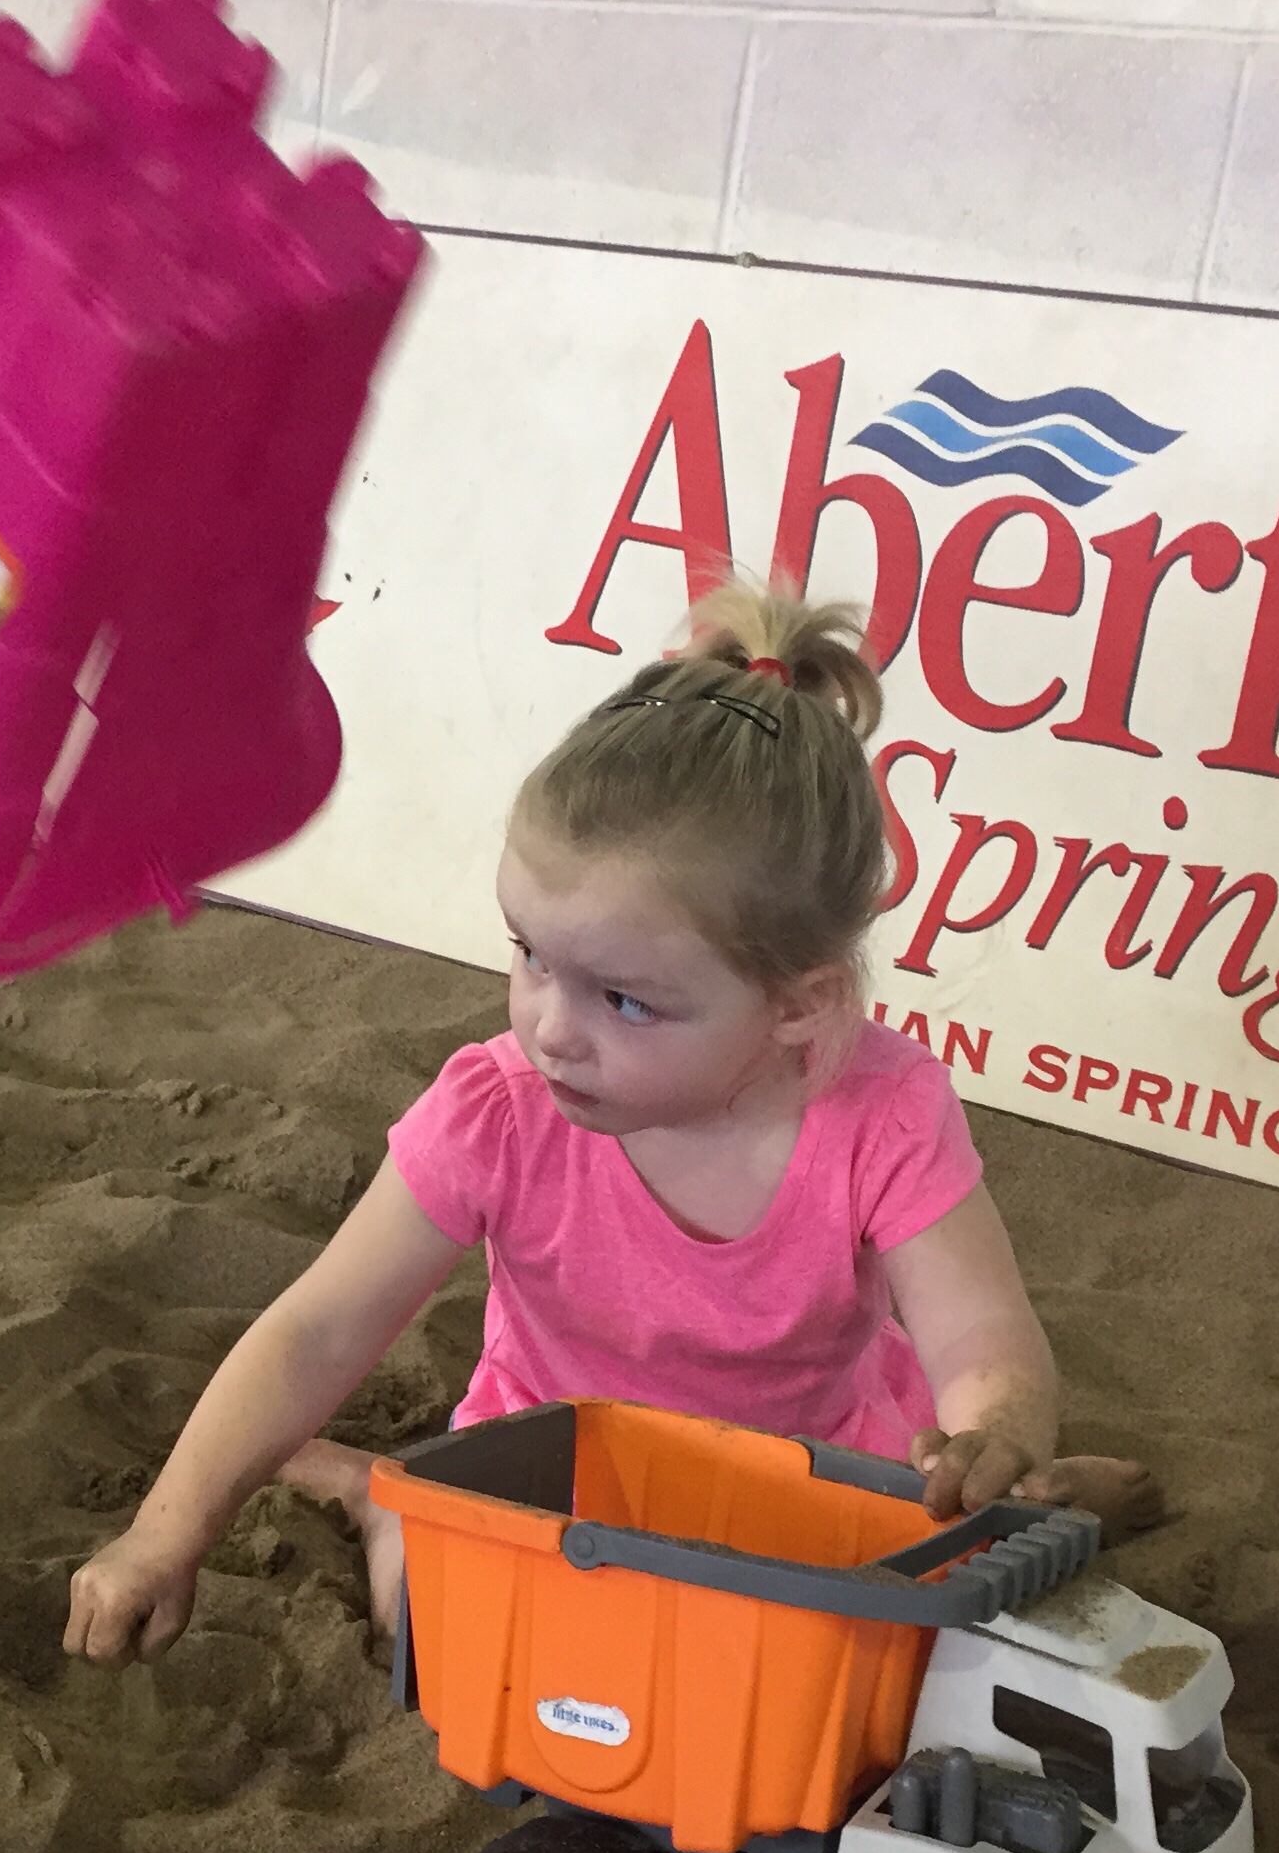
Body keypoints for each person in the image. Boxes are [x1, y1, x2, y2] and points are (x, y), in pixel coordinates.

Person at [65, 578, 1160, 1668]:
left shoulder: (883, 1112)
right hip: (554, 1471)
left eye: (624, 1000)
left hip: (810, 1476)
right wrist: (166, 1534)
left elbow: (978, 1335)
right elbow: (319, 1327)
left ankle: (1051, 1499)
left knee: (917, 1620)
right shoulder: (496, 1110)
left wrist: (996, 1431)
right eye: (529, 956)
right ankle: (380, 1498)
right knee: (438, 1633)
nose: (552, 1030)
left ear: (798, 1004)